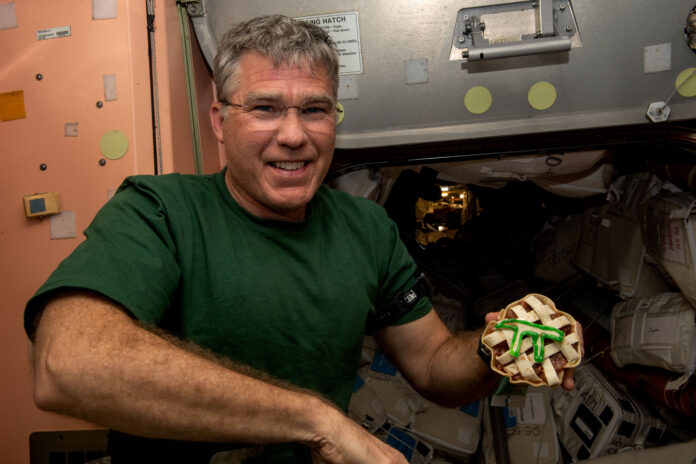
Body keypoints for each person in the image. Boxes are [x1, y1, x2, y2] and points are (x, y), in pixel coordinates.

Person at [25, 15, 578, 464]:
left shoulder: (366, 230)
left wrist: (497, 347)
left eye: (314, 110)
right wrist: (318, 422)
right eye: (264, 108)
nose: (294, 136)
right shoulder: (160, 211)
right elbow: (67, 365)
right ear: (219, 120)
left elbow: (433, 363)